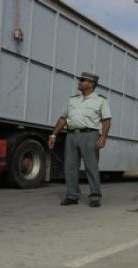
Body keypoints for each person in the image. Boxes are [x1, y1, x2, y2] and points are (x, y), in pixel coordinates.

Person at [48, 72, 112, 208]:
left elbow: (106, 120)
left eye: (82, 80)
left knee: (91, 167)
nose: (79, 82)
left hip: (90, 135)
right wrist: (53, 135)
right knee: (70, 167)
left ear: (91, 84)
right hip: (71, 135)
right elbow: (63, 118)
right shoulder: (73, 100)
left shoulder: (101, 100)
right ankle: (72, 196)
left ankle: (95, 197)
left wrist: (103, 137)